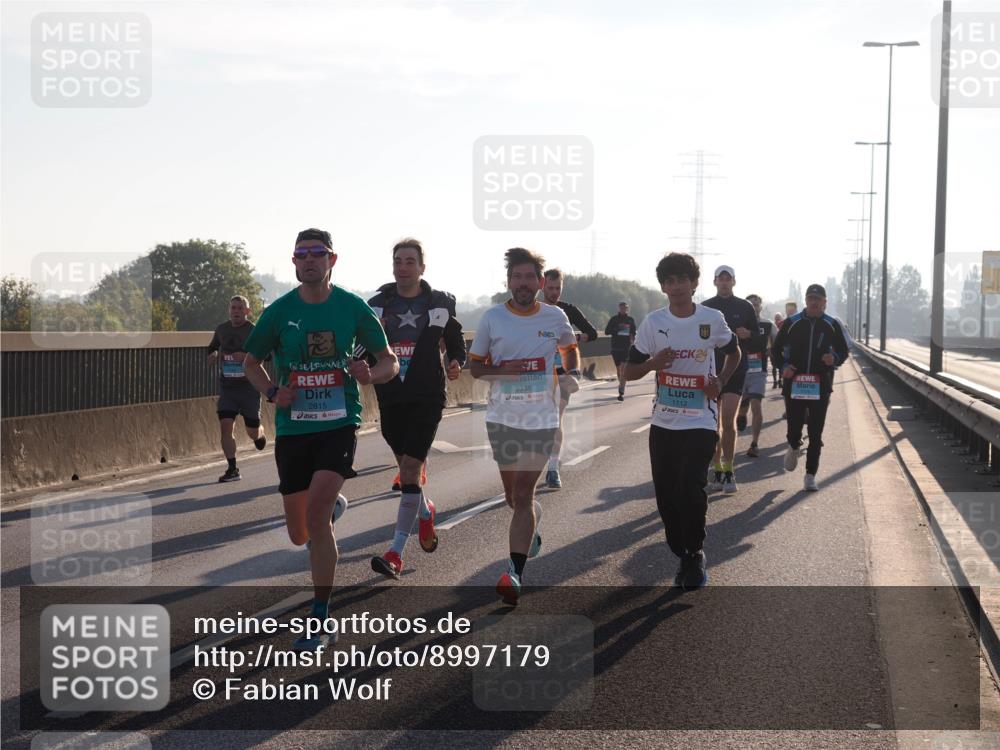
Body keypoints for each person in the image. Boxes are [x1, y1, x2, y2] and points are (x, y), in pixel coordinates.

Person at [243, 228, 399, 650]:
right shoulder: (278, 312)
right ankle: (326, 515)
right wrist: (273, 392)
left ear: (333, 260)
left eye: (318, 253)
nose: (310, 260)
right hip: (294, 428)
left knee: (315, 516)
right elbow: (250, 362)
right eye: (302, 254)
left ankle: (320, 616)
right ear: (294, 262)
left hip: (338, 422)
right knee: (300, 532)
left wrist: (372, 373)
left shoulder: (353, 308)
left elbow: (389, 361)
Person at [469, 248, 580, 606]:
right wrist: (507, 372)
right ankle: (530, 526)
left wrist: (570, 373)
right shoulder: (492, 319)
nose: (523, 283)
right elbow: (476, 368)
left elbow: (570, 348)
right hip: (502, 417)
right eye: (516, 277)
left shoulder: (555, 315)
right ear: (508, 281)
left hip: (542, 419)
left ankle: (514, 574)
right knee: (513, 497)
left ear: (540, 281)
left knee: (523, 493)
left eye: (529, 277)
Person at [624, 253, 740, 589]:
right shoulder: (653, 323)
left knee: (690, 486)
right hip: (664, 423)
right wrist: (652, 364)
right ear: (663, 285)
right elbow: (628, 372)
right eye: (669, 281)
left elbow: (734, 352)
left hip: (701, 420)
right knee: (666, 495)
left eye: (682, 280)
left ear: (694, 283)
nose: (676, 287)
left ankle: (694, 553)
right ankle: (681, 549)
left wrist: (721, 380)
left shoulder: (712, 319)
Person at [365, 238, 466, 579]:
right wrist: (358, 365)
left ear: (422, 267)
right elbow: (364, 348)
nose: (403, 267)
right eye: (398, 261)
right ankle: (424, 510)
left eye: (410, 261)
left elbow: (456, 343)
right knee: (405, 467)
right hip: (391, 395)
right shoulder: (377, 305)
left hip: (427, 395)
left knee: (409, 469)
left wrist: (455, 362)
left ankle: (395, 553)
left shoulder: (439, 303)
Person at [771, 284, 849, 491]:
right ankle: (794, 445)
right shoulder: (792, 323)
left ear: (825, 302)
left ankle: (810, 475)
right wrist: (784, 366)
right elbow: (775, 350)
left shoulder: (831, 324)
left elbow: (843, 350)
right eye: (810, 299)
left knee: (816, 433)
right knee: (794, 428)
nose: (814, 303)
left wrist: (834, 358)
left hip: (820, 384)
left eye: (818, 299)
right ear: (805, 301)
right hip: (794, 383)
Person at [701, 265, 763, 494]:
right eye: (721, 279)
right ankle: (717, 469)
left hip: (735, 370)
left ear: (734, 282)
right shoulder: (705, 307)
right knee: (711, 426)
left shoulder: (744, 307)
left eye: (728, 279)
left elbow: (758, 340)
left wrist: (749, 335)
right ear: (715, 282)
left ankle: (728, 470)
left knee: (728, 421)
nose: (725, 283)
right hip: (710, 372)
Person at [541, 268, 598, 489]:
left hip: (561, 373)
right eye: (550, 288)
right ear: (542, 286)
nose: (554, 293)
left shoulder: (568, 310)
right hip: (536, 373)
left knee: (556, 418)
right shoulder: (531, 310)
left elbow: (592, 333)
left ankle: (553, 469)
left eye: (558, 288)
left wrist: (573, 337)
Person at [207, 296, 267, 482]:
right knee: (226, 426)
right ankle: (232, 468)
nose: (236, 311)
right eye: (233, 308)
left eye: (240, 308)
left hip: (249, 388)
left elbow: (265, 355)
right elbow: (211, 348)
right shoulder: (222, 329)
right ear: (229, 310)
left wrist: (248, 356)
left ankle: (260, 434)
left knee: (252, 431)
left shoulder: (254, 330)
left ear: (247, 311)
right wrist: (213, 355)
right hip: (228, 388)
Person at [735, 294, 776, 457]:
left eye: (757, 304)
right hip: (739, 372)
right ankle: (742, 415)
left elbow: (779, 341)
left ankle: (754, 443)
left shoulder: (767, 324)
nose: (754, 307)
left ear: (761, 306)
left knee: (756, 405)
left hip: (758, 372)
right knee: (742, 407)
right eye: (751, 305)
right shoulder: (737, 324)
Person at [605, 302, 636, 401]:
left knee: (623, 370)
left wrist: (634, 343)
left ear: (627, 309)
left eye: (625, 308)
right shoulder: (614, 319)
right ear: (619, 308)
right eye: (622, 308)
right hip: (615, 348)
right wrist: (617, 329)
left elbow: (633, 334)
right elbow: (606, 331)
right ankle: (621, 384)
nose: (623, 309)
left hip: (626, 348)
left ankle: (621, 390)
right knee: (618, 370)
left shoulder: (630, 320)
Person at [772, 313, 785, 388]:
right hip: (773, 348)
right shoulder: (772, 326)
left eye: (779, 318)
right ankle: (774, 381)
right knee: (774, 366)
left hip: (781, 348)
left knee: (780, 366)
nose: (777, 320)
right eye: (776, 318)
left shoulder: (784, 325)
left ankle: (780, 380)